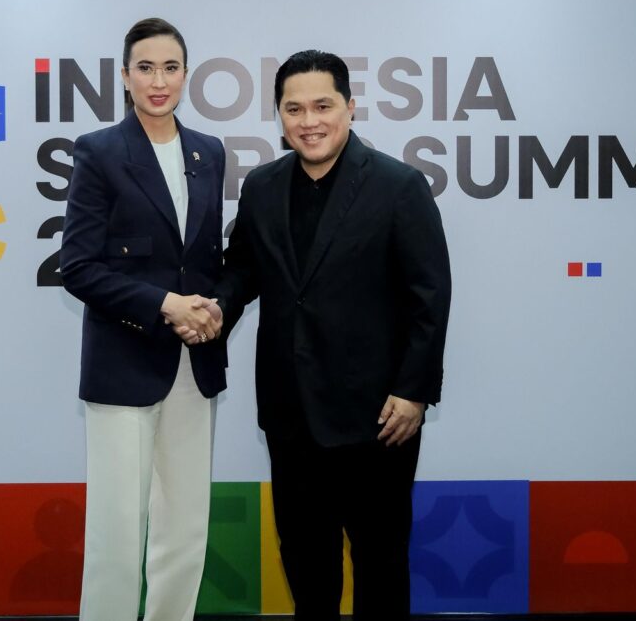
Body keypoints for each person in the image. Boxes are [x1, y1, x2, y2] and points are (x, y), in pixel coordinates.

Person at [178, 49, 451, 621]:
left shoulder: (399, 186)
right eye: (294, 108)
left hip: (379, 418)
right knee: (306, 565)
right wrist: (215, 309)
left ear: (350, 107)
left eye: (323, 106)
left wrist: (414, 391)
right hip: (291, 414)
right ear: (279, 115)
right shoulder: (263, 186)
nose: (309, 121)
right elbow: (244, 268)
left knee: (380, 563)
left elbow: (430, 296)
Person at [60, 17, 225, 621]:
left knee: (186, 527)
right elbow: (78, 267)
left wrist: (209, 309)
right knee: (118, 530)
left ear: (187, 74)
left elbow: (205, 259)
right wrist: (165, 305)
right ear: (125, 76)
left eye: (171, 68)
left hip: (194, 362)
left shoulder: (210, 152)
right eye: (146, 68)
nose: (159, 81)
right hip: (124, 360)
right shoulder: (100, 151)